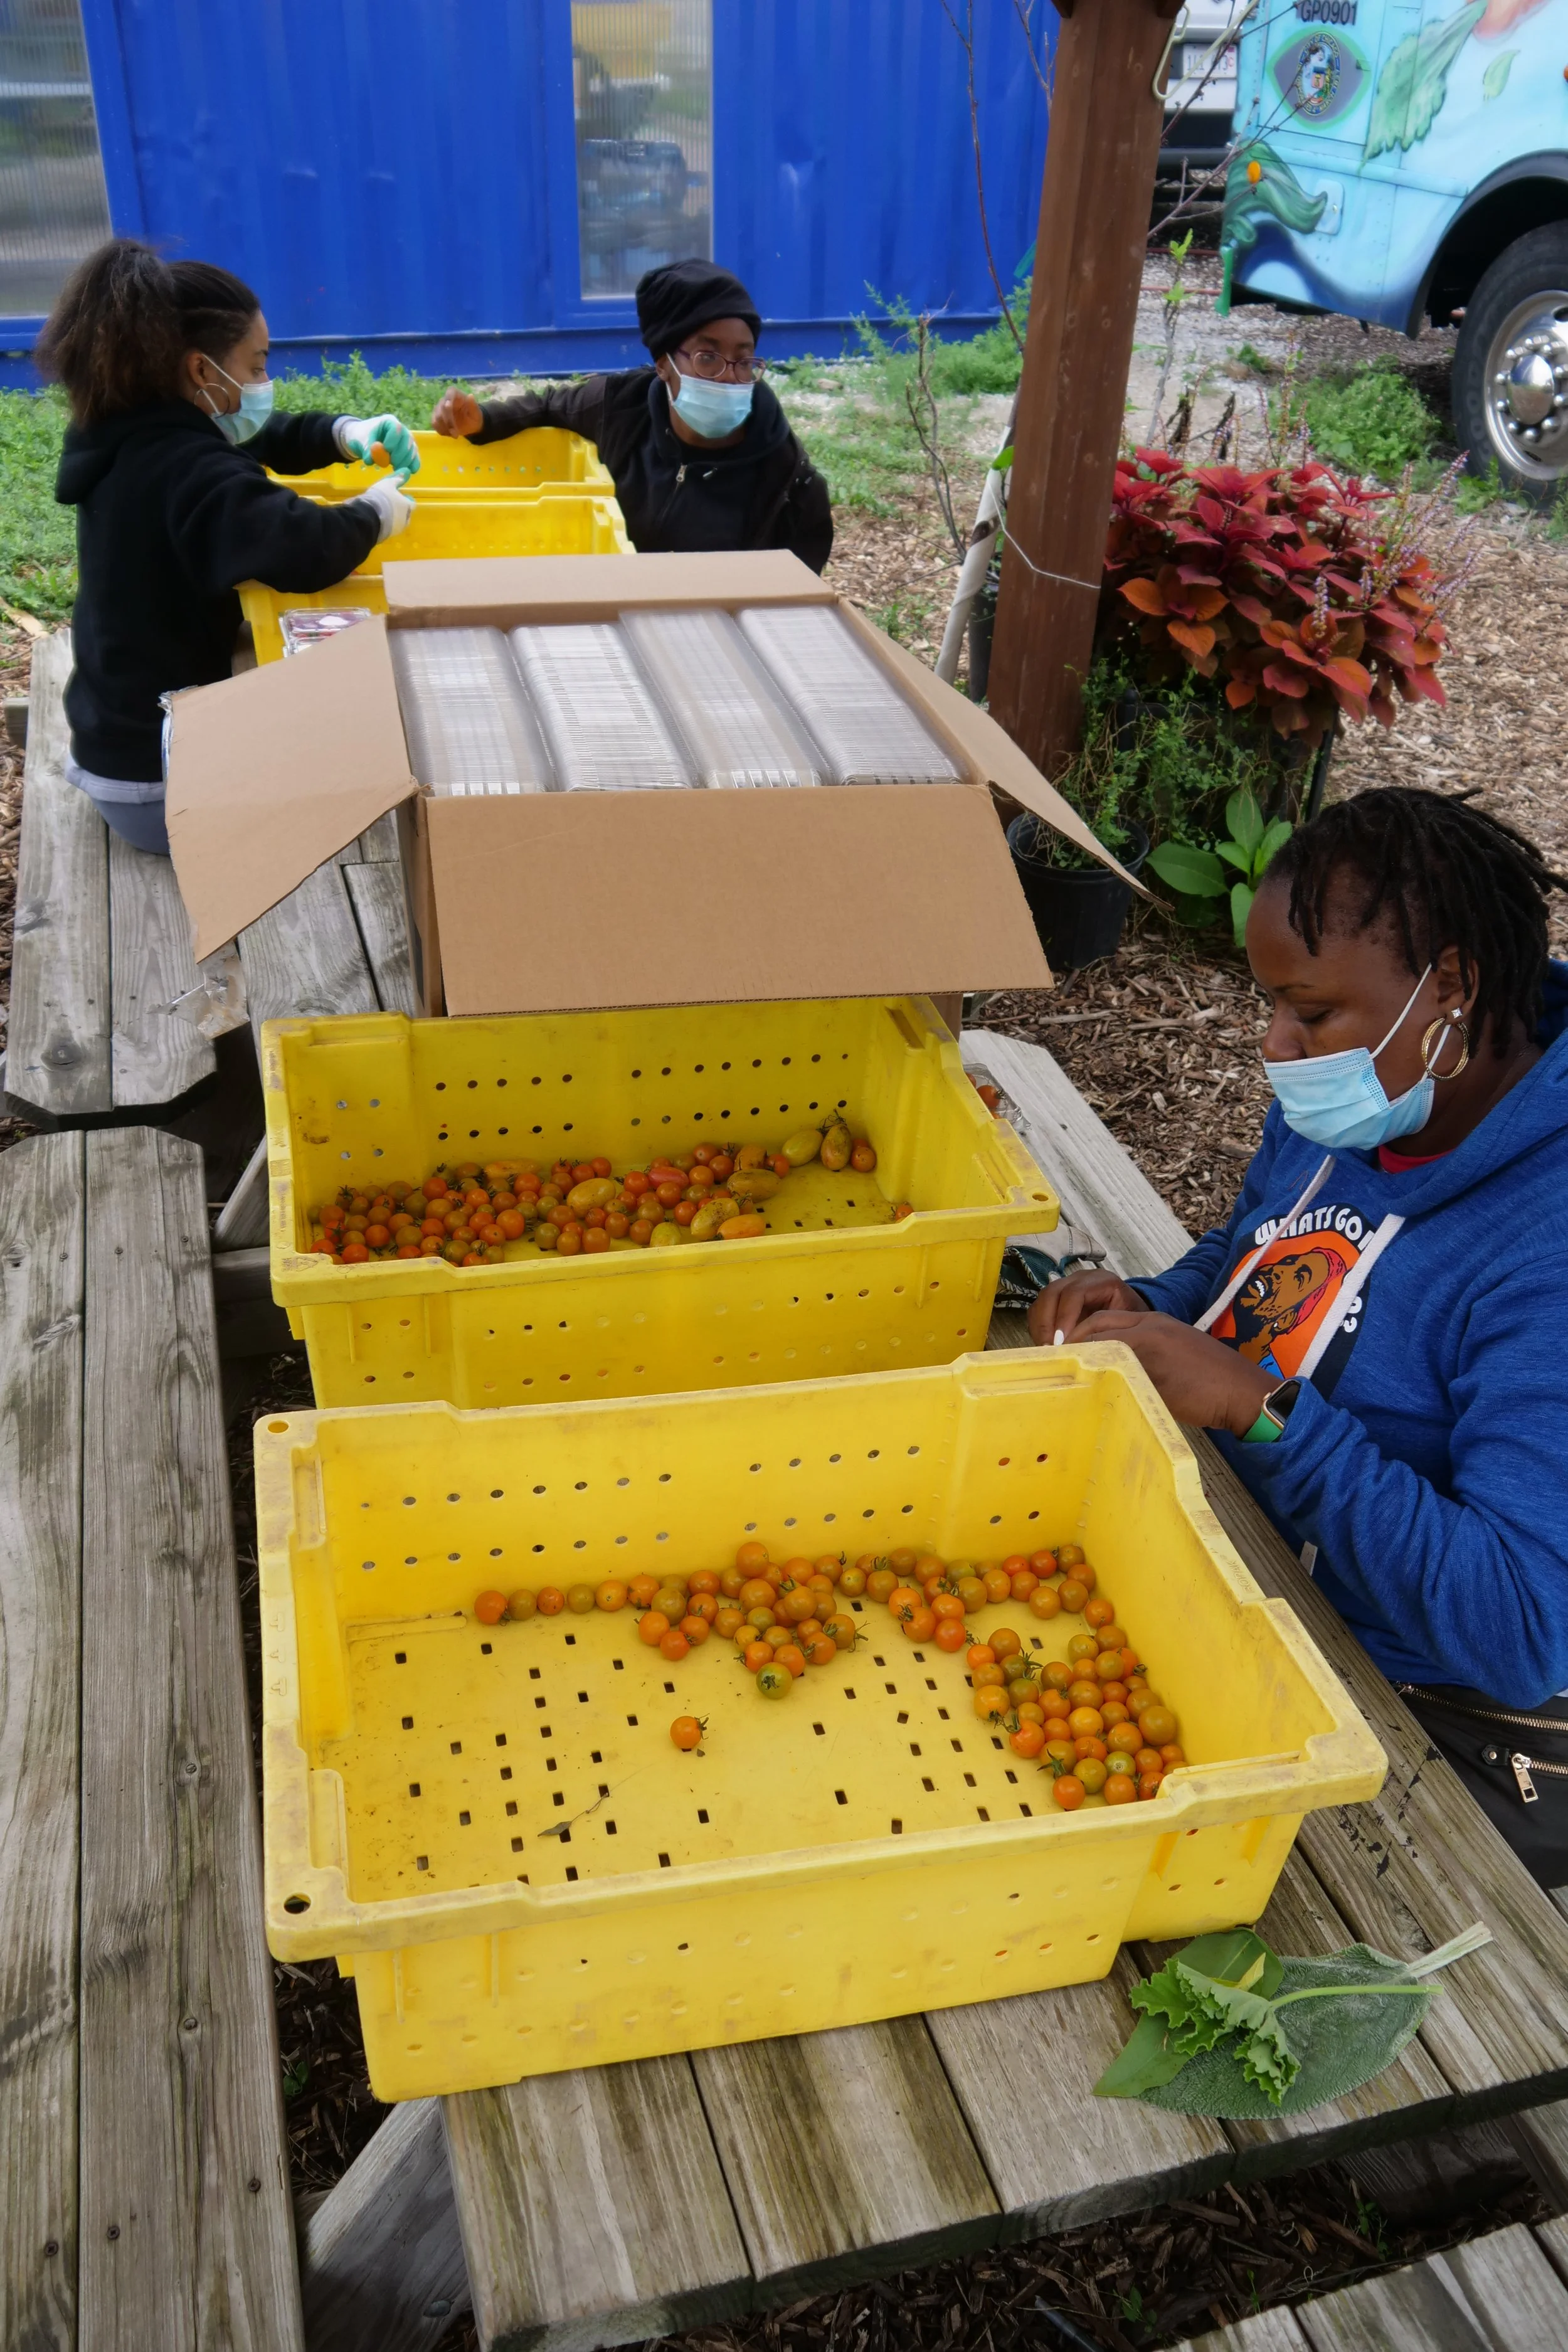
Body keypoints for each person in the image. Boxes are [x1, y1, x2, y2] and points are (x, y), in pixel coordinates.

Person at [1028, 787, 1568, 1887]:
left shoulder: (1543, 1251)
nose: (1275, 1048)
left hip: (1421, 1705)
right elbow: (1262, 1246)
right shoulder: (1385, 1081)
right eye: (1268, 1003)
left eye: (1309, 1015)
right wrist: (1150, 1304)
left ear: (1450, 988)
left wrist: (1257, 1408)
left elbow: (1517, 1629)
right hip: (1243, 1543)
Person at [38, 237, 421, 854]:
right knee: (357, 758)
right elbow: (306, 546)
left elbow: (256, 438)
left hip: (114, 744)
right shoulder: (192, 471)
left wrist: (344, 434)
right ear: (199, 371)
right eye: (257, 365)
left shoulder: (127, 433)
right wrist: (376, 512)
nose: (264, 382)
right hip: (161, 786)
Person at [432, 258, 832, 573]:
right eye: (708, 357)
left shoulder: (790, 485)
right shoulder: (620, 407)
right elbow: (549, 405)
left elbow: (790, 605)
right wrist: (481, 420)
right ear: (663, 365)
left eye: (744, 361)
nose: (729, 376)